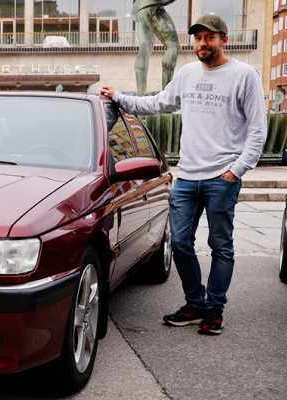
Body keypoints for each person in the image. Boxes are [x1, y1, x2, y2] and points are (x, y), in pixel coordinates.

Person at [101, 15, 267, 335]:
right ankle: (195, 303)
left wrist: (237, 170)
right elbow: (159, 103)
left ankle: (214, 310)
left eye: (210, 37)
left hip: (223, 177)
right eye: (198, 38)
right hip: (188, 176)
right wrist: (119, 97)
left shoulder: (245, 75)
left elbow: (258, 131)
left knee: (221, 246)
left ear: (224, 40)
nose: (203, 44)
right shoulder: (188, 73)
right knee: (179, 242)